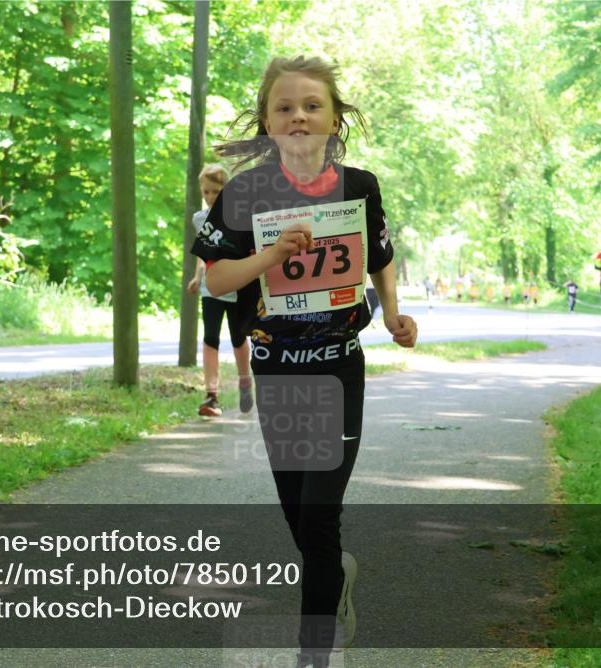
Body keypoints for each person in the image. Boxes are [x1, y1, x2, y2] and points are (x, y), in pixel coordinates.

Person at [192, 55, 417, 668]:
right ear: (266, 122)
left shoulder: (360, 186)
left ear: (334, 118)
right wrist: (270, 258)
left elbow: (380, 254)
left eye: (311, 106)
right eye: (284, 107)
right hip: (278, 371)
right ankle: (334, 578)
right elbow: (215, 280)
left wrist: (393, 313)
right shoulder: (244, 192)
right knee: (300, 520)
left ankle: (312, 657)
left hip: (340, 368)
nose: (298, 116)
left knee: (319, 521)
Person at [187, 164, 253, 416]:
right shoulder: (199, 219)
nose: (211, 197)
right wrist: (197, 277)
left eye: (216, 191)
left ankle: (245, 381)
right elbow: (203, 254)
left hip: (237, 289)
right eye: (206, 192)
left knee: (238, 338)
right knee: (210, 338)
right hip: (210, 290)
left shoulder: (240, 217)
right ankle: (211, 396)